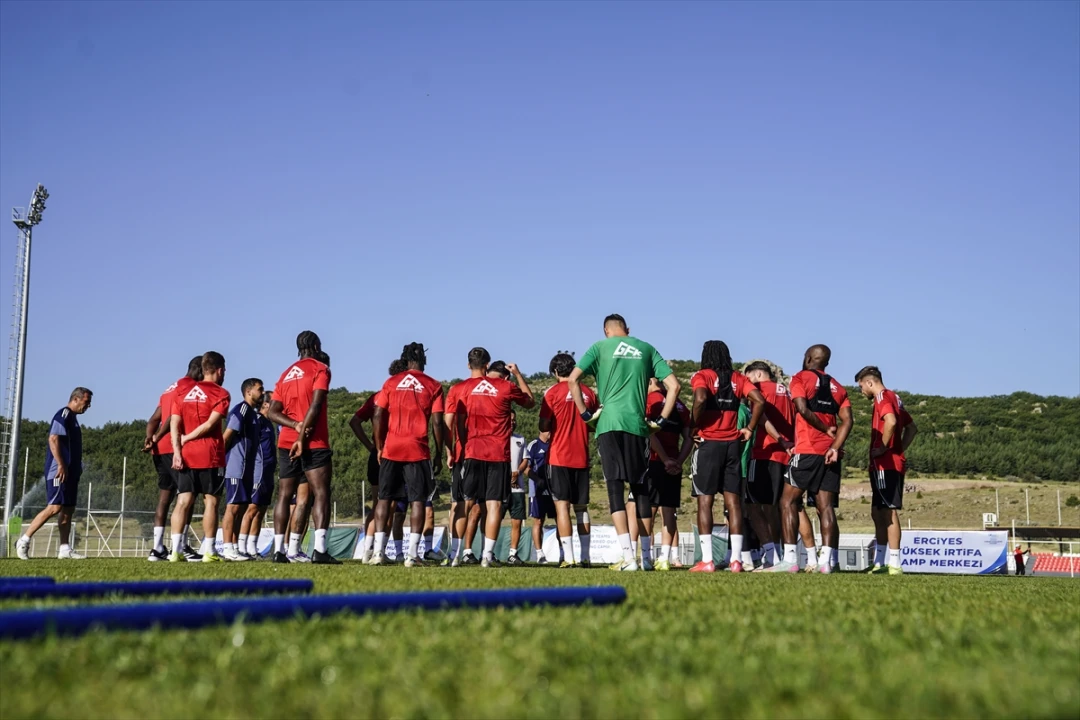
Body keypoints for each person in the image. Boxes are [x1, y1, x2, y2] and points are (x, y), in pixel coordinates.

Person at [567, 314, 681, 572]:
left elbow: (573, 380)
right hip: (637, 426)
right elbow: (674, 386)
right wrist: (661, 421)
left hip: (608, 424)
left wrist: (585, 414)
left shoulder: (599, 347)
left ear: (606, 331)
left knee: (615, 490)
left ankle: (628, 558)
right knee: (640, 489)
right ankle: (647, 559)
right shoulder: (646, 348)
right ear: (627, 330)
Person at [771, 344, 853, 573]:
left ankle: (789, 560)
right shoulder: (837, 387)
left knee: (787, 502)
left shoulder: (800, 378)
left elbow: (801, 408)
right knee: (825, 507)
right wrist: (835, 446)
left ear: (808, 358)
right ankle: (826, 562)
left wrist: (824, 429)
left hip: (807, 450)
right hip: (830, 454)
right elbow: (848, 421)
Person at [687, 341, 765, 573]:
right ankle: (736, 560)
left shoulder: (703, 375)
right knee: (733, 502)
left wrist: (693, 427)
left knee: (705, 500)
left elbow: (701, 399)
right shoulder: (738, 378)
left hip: (709, 443)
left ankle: (708, 560)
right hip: (733, 445)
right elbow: (759, 400)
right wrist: (749, 428)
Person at [458, 349, 535, 567]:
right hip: (497, 455)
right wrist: (519, 375)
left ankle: (457, 552)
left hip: (473, 451)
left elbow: (458, 421)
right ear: (506, 375)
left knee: (467, 504)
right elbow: (530, 401)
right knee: (493, 507)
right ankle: (487, 556)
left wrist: (464, 446)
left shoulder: (466, 387)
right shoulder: (507, 386)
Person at [266, 331, 339, 564]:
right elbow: (316, 404)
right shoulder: (320, 369)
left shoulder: (285, 374)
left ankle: (279, 551)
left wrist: (295, 426)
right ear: (317, 345)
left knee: (284, 495)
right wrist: (303, 433)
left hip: (286, 441)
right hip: (314, 441)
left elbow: (272, 412)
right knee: (321, 493)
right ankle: (319, 550)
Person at [369, 343, 445, 567]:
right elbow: (438, 422)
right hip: (418, 450)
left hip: (392, 447)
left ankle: (378, 553)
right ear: (424, 361)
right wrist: (439, 453)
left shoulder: (391, 382)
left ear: (404, 360)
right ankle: (412, 555)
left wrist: (379, 445)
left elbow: (376, 415)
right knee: (418, 501)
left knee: (384, 498)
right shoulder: (433, 385)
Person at [15, 388, 93, 561]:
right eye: (86, 402)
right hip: (58, 471)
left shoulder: (73, 419)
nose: (88, 406)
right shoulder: (63, 414)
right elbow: (53, 439)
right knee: (55, 507)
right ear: (76, 399)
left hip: (71, 472)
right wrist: (61, 464)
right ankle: (23, 540)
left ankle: (65, 549)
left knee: (68, 510)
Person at [856, 365, 919, 576]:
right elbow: (912, 428)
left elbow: (891, 421)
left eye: (861, 386)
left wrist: (884, 448)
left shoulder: (883, 396)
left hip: (887, 465)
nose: (861, 391)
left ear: (869, 382)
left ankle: (894, 563)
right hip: (886, 464)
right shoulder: (895, 398)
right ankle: (880, 562)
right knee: (878, 512)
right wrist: (899, 448)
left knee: (888, 511)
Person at [168, 352, 230, 562]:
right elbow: (210, 425)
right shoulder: (221, 393)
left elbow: (174, 423)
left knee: (183, 500)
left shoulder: (182, 393)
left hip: (185, 455)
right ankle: (209, 552)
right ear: (220, 370)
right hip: (210, 454)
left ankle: (175, 551)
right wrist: (186, 439)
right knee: (211, 502)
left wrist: (177, 451)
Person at [541, 352, 600, 568]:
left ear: (556, 372)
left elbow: (543, 426)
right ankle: (586, 557)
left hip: (558, 456)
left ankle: (569, 557)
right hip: (582, 456)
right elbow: (595, 422)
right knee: (582, 508)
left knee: (562, 508)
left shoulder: (552, 393)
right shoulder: (588, 393)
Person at [142, 357, 203, 561]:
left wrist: (149, 439)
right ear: (199, 370)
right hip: (175, 447)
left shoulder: (169, 387)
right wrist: (159, 437)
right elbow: (171, 418)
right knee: (188, 495)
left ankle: (158, 548)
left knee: (164, 498)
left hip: (159, 450)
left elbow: (154, 419)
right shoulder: (191, 387)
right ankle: (182, 545)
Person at [350, 358, 407, 563]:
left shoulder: (377, 396)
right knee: (389, 506)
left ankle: (368, 551)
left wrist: (372, 446)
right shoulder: (400, 396)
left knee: (377, 504)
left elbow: (354, 421)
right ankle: (379, 552)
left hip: (377, 455)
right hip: (393, 454)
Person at [742, 360, 796, 571]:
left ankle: (771, 554)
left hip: (765, 451)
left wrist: (779, 439)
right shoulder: (788, 392)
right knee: (777, 506)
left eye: (748, 377)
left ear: (756, 375)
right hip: (787, 455)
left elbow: (761, 416)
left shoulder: (758, 390)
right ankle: (780, 555)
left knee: (752, 504)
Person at [641, 375, 691, 571]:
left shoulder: (649, 401)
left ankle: (647, 556)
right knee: (669, 511)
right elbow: (689, 437)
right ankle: (665, 558)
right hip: (673, 464)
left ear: (651, 381)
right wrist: (678, 461)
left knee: (648, 511)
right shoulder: (680, 405)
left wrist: (664, 459)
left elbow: (648, 432)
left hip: (654, 461)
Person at [444, 351, 486, 566]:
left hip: (465, 453)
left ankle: (455, 554)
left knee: (462, 504)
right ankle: (487, 555)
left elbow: (448, 423)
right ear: (486, 365)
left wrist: (449, 451)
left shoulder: (457, 389)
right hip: (492, 454)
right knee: (489, 505)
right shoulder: (494, 388)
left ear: (468, 365)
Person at [220, 377, 263, 561]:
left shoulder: (253, 413)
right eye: (260, 389)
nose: (262, 393)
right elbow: (226, 437)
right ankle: (227, 547)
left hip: (248, 469)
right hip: (236, 467)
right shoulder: (242, 409)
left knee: (242, 507)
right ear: (249, 391)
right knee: (233, 507)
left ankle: (236, 547)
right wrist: (220, 462)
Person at [239, 392, 276, 559]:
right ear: (266, 404)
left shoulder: (270, 423)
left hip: (269, 472)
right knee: (252, 508)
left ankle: (253, 548)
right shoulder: (258, 421)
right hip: (258, 471)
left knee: (261, 509)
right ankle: (241, 546)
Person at [525, 431, 554, 564]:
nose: (550, 431)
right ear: (541, 430)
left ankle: (563, 552)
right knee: (538, 521)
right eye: (548, 429)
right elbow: (525, 468)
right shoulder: (534, 445)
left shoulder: (555, 443)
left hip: (554, 489)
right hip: (537, 490)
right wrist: (537, 480)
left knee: (559, 519)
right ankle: (539, 554)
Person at [505, 414, 528, 565]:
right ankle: (487, 552)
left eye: (514, 420)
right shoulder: (496, 438)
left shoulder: (521, 439)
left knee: (517, 522)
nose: (512, 422)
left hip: (518, 489)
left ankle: (512, 554)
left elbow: (525, 459)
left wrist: (517, 472)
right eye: (509, 419)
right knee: (491, 519)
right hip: (500, 488)